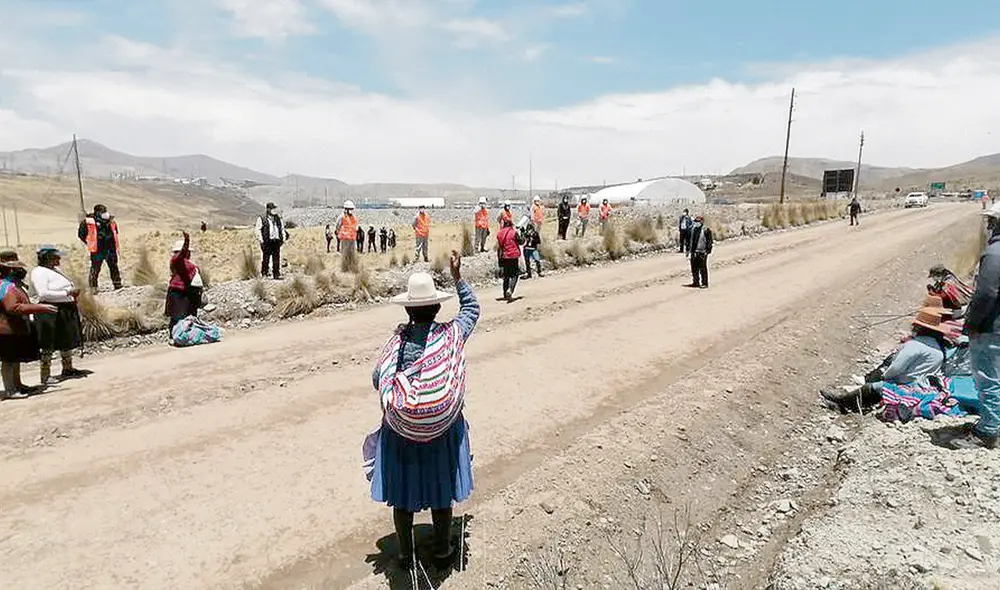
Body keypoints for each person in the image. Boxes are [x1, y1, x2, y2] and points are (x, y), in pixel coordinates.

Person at [365, 252, 479, 572]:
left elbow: (378, 379)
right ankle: (442, 550)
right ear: (438, 306)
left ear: (408, 309)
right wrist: (458, 277)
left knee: (403, 496)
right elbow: (472, 309)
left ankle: (405, 556)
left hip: (401, 434)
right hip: (443, 431)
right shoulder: (451, 334)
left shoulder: (396, 343)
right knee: (441, 491)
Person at [822, 308, 952, 414]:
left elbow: (896, 368)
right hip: (927, 387)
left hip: (911, 386)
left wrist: (885, 377)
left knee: (874, 387)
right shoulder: (938, 347)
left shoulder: (915, 345)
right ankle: (851, 404)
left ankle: (841, 402)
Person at [951, 203, 1000, 448]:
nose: (988, 227)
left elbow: (986, 293)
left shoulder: (994, 253)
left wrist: (971, 323)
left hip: (991, 326)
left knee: (987, 377)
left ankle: (988, 432)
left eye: (991, 223)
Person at [0, 253, 56, 400]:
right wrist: (39, 308)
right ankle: (10, 389)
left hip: (15, 328)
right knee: (9, 360)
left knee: (15, 359)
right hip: (6, 330)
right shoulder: (6, 286)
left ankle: (17, 384)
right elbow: (12, 307)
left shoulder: (13, 285)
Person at [30, 245, 87, 386]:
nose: (59, 259)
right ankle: (45, 375)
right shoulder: (39, 272)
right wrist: (67, 293)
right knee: (48, 341)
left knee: (65, 338)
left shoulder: (54, 271)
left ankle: (67, 368)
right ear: (47, 258)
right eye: (56, 256)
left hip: (64, 308)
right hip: (50, 309)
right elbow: (43, 293)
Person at [78, 203, 122, 291]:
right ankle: (93, 287)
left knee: (114, 267)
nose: (105, 213)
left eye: (105, 211)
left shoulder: (111, 221)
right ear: (97, 212)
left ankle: (117, 284)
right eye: (103, 211)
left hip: (110, 248)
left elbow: (115, 233)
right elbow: (81, 234)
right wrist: (89, 242)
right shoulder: (88, 222)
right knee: (95, 268)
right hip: (97, 249)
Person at [164, 232, 203, 333]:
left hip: (187, 291)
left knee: (187, 314)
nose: (189, 253)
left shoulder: (187, 263)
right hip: (177, 292)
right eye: (188, 251)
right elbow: (181, 253)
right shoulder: (177, 260)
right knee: (177, 315)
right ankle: (174, 335)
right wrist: (187, 241)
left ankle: (186, 334)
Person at [254, 203, 288, 280]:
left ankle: (276, 274)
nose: (274, 210)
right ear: (268, 209)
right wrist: (261, 239)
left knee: (276, 258)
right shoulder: (262, 218)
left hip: (276, 241)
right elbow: (258, 229)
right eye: (272, 208)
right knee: (266, 258)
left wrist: (283, 238)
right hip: (267, 241)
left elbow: (282, 228)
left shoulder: (278, 219)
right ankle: (264, 273)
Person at [497, 219, 523, 302]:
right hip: (513, 256)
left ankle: (505, 293)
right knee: (515, 274)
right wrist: (523, 235)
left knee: (506, 276)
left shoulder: (500, 233)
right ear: (511, 224)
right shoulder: (513, 232)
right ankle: (510, 290)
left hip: (504, 256)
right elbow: (521, 242)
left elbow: (500, 246)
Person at [687, 215, 713, 289]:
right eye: (696, 221)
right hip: (694, 252)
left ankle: (704, 283)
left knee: (702, 268)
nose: (697, 223)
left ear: (702, 222)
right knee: (694, 268)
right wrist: (690, 251)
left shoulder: (706, 230)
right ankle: (696, 282)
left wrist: (707, 251)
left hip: (702, 252)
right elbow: (691, 241)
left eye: (698, 221)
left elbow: (709, 242)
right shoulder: (694, 230)